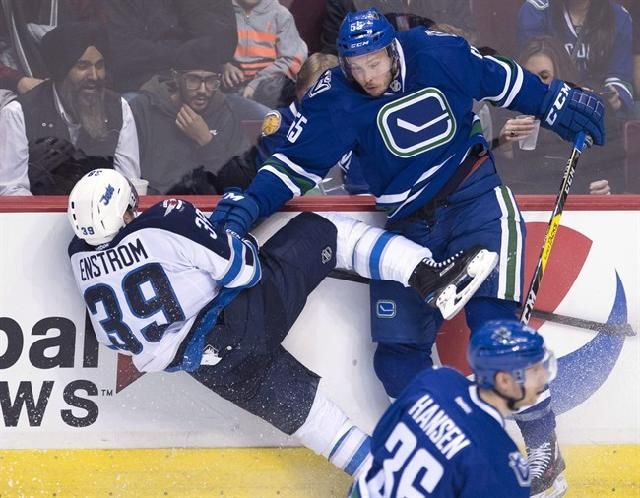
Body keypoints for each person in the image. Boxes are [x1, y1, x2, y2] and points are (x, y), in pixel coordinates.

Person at [210, 9, 605, 497]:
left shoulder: (438, 52)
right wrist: (248, 205)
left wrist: (554, 103)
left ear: (391, 50)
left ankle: (542, 451)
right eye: (355, 67)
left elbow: (500, 79)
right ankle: (448, 454)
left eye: (374, 64)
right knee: (395, 363)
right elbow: (290, 166)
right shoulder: (334, 97)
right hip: (409, 227)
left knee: (496, 334)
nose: (367, 77)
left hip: (475, 201)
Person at [66, 168, 498, 480]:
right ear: (124, 210)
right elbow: (245, 270)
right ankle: (429, 276)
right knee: (322, 230)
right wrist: (229, 230)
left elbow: (120, 327)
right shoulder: (167, 218)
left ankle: (379, 482)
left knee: (314, 423)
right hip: (238, 322)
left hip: (205, 367)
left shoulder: (78, 258)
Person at [350, 319, 558, 498]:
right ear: (504, 380)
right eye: (534, 370)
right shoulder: (502, 462)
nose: (542, 377)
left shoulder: (435, 380)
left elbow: (380, 440)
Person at [0, 22, 140, 195]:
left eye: (99, 65)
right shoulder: (18, 114)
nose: (94, 76)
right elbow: (12, 191)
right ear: (61, 71)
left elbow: (128, 183)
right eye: (83, 66)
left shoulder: (119, 109)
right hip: (38, 218)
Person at [492, 37, 618, 195]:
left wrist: (604, 191)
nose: (536, 85)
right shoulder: (506, 117)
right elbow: (500, 190)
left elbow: (616, 171)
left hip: (581, 212)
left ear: (562, 77)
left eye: (544, 77)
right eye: (529, 78)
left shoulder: (586, 113)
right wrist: (504, 149)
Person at [129, 54, 252, 195]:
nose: (202, 90)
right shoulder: (143, 109)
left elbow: (241, 184)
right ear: (176, 78)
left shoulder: (226, 114)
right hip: (155, 207)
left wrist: (207, 141)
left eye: (211, 81)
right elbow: (128, 176)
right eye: (193, 80)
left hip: (209, 209)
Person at [256, 52, 368, 194]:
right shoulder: (282, 123)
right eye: (313, 92)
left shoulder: (354, 122)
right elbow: (275, 181)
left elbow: (363, 186)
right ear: (298, 90)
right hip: (296, 207)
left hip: (348, 207)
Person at [518, 0, 634, 114]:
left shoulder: (618, 17)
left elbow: (620, 76)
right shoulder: (536, 11)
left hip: (598, 112)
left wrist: (611, 98)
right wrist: (570, 95)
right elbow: (533, 77)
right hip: (549, 107)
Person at [104, 0, 237, 94]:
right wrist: (188, 53)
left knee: (254, 113)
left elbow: (225, 44)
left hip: (203, 87)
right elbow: (124, 54)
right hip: (141, 87)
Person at [223, 0, 307, 109]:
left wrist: (256, 83)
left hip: (270, 83)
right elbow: (211, 47)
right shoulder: (223, 12)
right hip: (231, 84)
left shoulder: (280, 15)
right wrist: (224, 64)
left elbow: (290, 59)